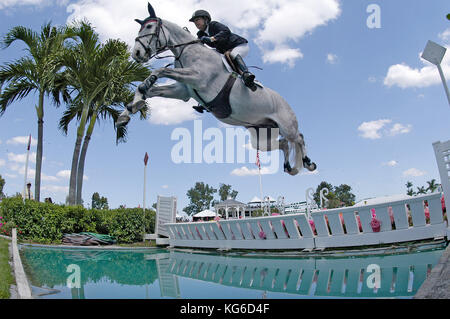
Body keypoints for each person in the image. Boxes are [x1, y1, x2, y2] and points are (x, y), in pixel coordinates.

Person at [189, 9, 256, 90]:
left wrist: (212, 39)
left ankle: (246, 74)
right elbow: (198, 46)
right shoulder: (200, 34)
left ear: (205, 19)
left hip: (238, 45)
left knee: (233, 54)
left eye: (197, 20)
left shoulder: (213, 24)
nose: (196, 23)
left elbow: (226, 31)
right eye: (194, 22)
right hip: (224, 52)